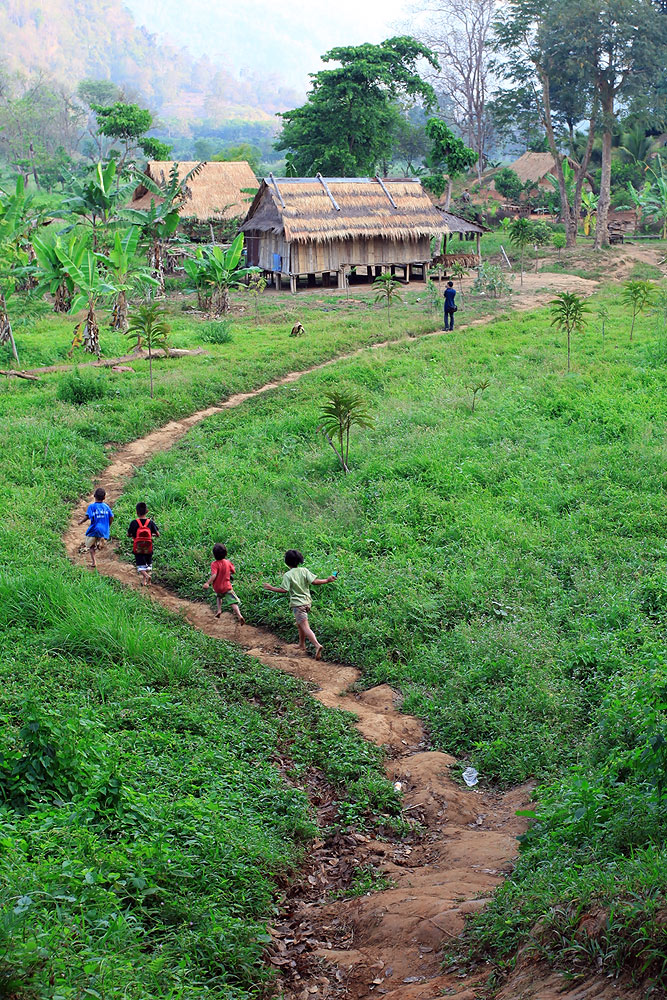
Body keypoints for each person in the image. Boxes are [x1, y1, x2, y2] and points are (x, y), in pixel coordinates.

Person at [263, 549, 335, 659]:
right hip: (307, 603)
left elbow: (284, 590)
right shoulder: (304, 570)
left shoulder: (288, 575)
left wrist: (271, 588)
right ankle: (301, 644)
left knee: (305, 626)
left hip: (298, 605)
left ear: (286, 562)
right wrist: (327, 580)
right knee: (300, 623)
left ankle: (317, 645)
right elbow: (314, 582)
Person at [203, 543, 244, 624]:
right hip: (227, 587)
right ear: (225, 553)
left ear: (214, 555)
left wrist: (207, 583)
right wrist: (228, 573)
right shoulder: (228, 562)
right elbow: (233, 571)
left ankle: (219, 610)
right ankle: (239, 615)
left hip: (218, 588)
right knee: (233, 602)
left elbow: (214, 575)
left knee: (219, 597)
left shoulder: (214, 564)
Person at [78, 487, 114, 569]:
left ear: (94, 496)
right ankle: (101, 540)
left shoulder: (92, 506)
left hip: (94, 529)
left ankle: (94, 562)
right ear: (104, 497)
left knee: (91, 546)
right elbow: (112, 517)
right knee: (100, 537)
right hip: (104, 529)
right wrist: (108, 525)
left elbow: (87, 516)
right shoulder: (106, 507)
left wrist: (81, 522)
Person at [127, 502, 159, 586]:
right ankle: (144, 581)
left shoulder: (134, 523)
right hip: (148, 547)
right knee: (147, 564)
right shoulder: (150, 522)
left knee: (140, 565)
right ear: (147, 511)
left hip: (138, 548)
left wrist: (132, 535)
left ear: (137, 512)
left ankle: (147, 576)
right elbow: (158, 534)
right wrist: (151, 535)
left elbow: (128, 534)